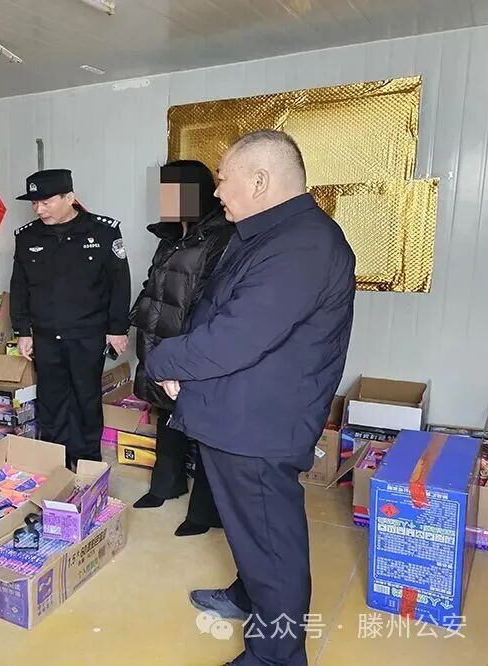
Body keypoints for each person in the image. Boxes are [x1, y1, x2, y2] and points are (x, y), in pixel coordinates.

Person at [145, 130, 355, 666]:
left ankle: (276, 655)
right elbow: (220, 314)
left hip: (259, 424)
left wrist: (165, 361)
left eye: (223, 179)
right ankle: (250, 596)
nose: (216, 191)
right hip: (236, 411)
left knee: (270, 540)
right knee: (251, 529)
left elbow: (236, 337)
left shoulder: (304, 245)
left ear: (260, 181)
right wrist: (187, 370)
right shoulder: (267, 233)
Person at [130, 161, 233, 539]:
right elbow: (154, 284)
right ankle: (166, 485)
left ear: (200, 194)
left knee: (203, 425)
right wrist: (136, 317)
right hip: (160, 340)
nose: (167, 200)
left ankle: (205, 510)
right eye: (165, 192)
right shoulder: (170, 236)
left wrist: (185, 351)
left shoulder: (221, 237)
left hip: (191, 345)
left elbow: (211, 300)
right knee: (167, 416)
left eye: (176, 193)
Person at [10, 169, 130, 469]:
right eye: (34, 203)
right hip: (45, 335)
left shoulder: (103, 232)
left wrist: (117, 328)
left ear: (70, 198)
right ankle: (57, 462)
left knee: (85, 398)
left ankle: (87, 460)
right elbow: (19, 286)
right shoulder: (27, 237)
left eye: (46, 202)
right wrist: (23, 331)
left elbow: (119, 283)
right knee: (51, 399)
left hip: (87, 333)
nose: (39, 210)